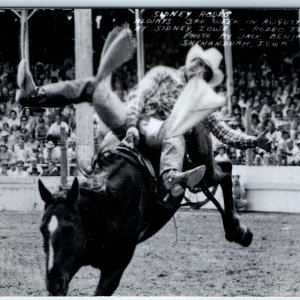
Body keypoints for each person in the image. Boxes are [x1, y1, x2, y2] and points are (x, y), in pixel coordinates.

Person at [17, 26, 271, 197]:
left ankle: (170, 177)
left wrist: (254, 141)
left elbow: (224, 132)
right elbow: (141, 94)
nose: (198, 70)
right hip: (135, 120)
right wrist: (129, 125)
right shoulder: (163, 73)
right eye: (198, 63)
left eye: (204, 70)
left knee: (175, 128)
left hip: (160, 132)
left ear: (206, 76)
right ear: (190, 62)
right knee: (94, 87)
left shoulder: (200, 101)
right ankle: (34, 95)